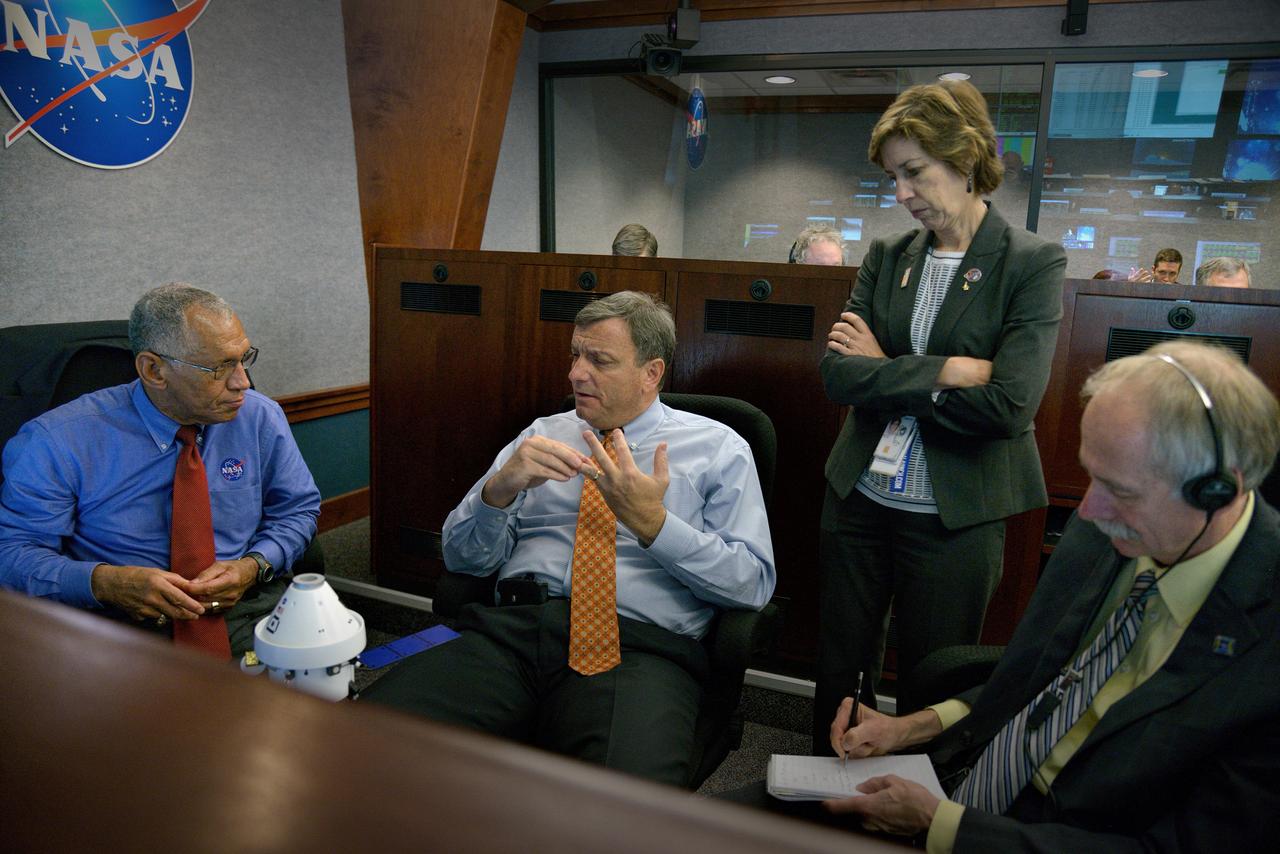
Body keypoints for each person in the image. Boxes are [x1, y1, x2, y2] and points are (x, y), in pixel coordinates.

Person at [820, 340, 1280, 852]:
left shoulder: (1263, 643)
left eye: (1120, 490)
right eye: (1091, 476)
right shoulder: (1113, 532)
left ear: (1216, 490)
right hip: (973, 784)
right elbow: (1043, 680)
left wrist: (941, 828)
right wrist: (912, 728)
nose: (1087, 511)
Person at [361, 291, 775, 785]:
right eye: (575, 355)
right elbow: (463, 561)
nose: (576, 373)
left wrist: (654, 525)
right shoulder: (542, 434)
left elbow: (750, 584)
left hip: (638, 648)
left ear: (651, 372)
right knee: (365, 741)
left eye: (599, 360)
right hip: (514, 630)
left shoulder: (720, 448)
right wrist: (499, 492)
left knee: (620, 806)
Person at [814, 79, 1065, 752]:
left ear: (965, 159)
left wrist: (886, 367)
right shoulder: (888, 257)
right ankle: (824, 796)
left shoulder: (1030, 263)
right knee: (841, 671)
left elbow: (1010, 404)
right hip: (859, 496)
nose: (901, 193)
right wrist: (946, 370)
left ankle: (906, 809)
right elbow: (840, 373)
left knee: (931, 680)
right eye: (894, 176)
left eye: (914, 172)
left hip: (955, 512)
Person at [0, 283, 320, 658]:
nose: (242, 382)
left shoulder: (259, 417)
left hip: (244, 605)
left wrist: (254, 565)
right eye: (220, 368)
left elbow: (297, 510)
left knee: (311, 704)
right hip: (121, 621)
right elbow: (13, 554)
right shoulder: (57, 441)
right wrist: (104, 583)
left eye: (243, 358)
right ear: (153, 370)